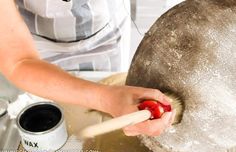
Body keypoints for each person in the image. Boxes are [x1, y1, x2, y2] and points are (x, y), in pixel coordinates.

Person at [0, 0, 175, 136]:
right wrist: (106, 99)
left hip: (106, 34)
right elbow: (18, 62)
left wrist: (112, 99)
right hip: (36, 49)